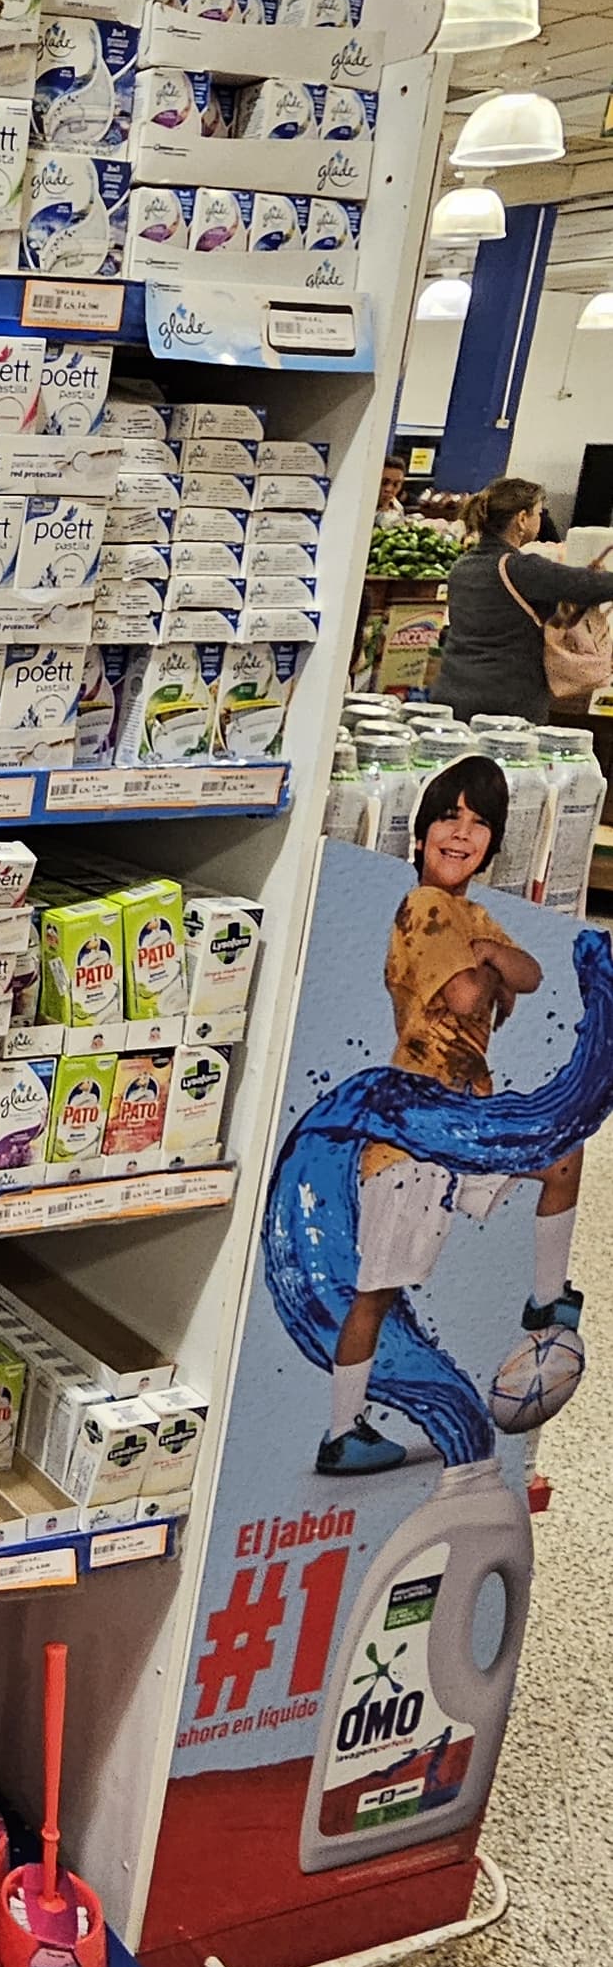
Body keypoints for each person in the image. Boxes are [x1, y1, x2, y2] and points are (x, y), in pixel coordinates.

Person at [318, 752, 585, 1476]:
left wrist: (491, 953)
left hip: (464, 1116)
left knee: (561, 1156)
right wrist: (489, 965)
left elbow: (528, 973)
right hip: (418, 1128)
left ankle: (546, 1300)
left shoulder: (471, 914)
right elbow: (468, 995)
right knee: (376, 1292)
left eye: (478, 822)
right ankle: (341, 1432)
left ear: (495, 843)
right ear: (420, 832)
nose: (461, 833)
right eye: (447, 816)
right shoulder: (426, 907)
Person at [432, 476, 611, 718]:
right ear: (522, 519)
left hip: (452, 693)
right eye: (538, 513)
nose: (541, 519)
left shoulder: (462, 566)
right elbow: (588, 586)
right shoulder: (521, 568)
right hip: (508, 701)